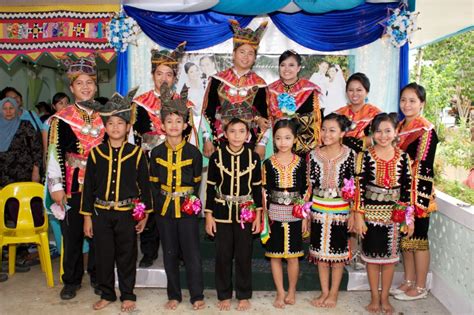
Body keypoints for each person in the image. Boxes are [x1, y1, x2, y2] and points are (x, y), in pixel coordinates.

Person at [80, 89, 151, 312]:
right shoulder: (95, 153)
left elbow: (145, 186)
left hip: (126, 213)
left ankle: (128, 294)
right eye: (110, 123)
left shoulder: (137, 153)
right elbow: (89, 187)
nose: (116, 127)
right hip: (101, 213)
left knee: (127, 255)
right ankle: (107, 293)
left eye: (120, 123)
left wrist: (144, 214)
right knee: (103, 256)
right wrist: (87, 218)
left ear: (128, 126)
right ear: (105, 127)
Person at [46, 57, 104, 300]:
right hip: (72, 185)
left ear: (96, 85)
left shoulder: (107, 113)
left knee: (101, 235)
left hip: (102, 185)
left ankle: (99, 277)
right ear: (72, 88)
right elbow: (54, 154)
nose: (85, 87)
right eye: (79, 83)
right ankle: (71, 280)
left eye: (89, 82)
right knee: (73, 236)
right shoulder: (62, 118)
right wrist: (56, 187)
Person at [132, 42, 193, 268]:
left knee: (176, 206)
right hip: (148, 162)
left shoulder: (183, 101)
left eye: (169, 73)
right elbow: (133, 137)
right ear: (152, 75)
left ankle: (178, 252)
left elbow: (190, 134)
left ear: (175, 77)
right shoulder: (139, 104)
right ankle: (148, 251)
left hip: (177, 162)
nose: (164, 78)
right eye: (160, 73)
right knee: (150, 202)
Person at [149, 87, 205, 310]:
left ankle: (197, 295)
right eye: (169, 121)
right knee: (169, 253)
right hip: (164, 211)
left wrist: (191, 204)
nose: (173, 125)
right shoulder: (156, 153)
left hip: (187, 210)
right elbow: (153, 182)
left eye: (178, 121)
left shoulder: (194, 153)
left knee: (192, 254)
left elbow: (197, 183)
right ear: (162, 125)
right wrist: (156, 208)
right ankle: (173, 294)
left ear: (185, 125)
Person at [353, 113, 414, 314]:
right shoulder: (363, 156)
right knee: (371, 258)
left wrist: (408, 218)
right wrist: (359, 216)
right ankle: (374, 298)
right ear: (372, 133)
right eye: (378, 131)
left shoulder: (404, 157)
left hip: (394, 217)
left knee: (389, 260)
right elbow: (358, 189)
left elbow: (407, 190)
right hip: (370, 215)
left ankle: (385, 298)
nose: (383, 135)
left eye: (388, 130)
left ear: (396, 132)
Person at [205, 118, 262, 311]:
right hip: (221, 213)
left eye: (241, 131)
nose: (237, 136)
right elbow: (210, 188)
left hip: (246, 213)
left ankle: (244, 294)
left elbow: (256, 189)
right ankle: (224, 294)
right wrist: (209, 215)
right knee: (223, 255)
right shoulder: (216, 157)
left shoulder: (254, 157)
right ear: (225, 133)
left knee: (244, 255)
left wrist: (259, 215)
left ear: (248, 135)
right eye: (232, 131)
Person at [392, 83, 438, 301]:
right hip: (399, 192)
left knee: (419, 238)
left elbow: (424, 165)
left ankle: (420, 286)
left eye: (412, 100)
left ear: (422, 103)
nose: (407, 104)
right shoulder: (398, 127)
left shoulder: (426, 129)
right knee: (405, 239)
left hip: (418, 192)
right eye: (403, 100)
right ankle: (408, 281)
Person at [308, 113, 356, 308]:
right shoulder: (313, 155)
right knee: (320, 254)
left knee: (337, 255)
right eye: (324, 129)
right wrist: (307, 211)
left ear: (342, 133)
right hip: (318, 208)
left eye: (332, 130)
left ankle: (334, 293)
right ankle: (324, 292)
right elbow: (309, 187)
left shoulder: (351, 155)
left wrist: (354, 212)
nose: (326, 134)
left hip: (341, 210)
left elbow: (356, 187)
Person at [202, 20, 269, 160]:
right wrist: (207, 139)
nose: (246, 56)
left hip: (250, 144)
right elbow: (207, 112)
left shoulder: (260, 85)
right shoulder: (218, 80)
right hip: (220, 141)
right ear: (233, 54)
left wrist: (262, 143)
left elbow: (266, 118)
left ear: (255, 58)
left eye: (251, 53)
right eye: (242, 51)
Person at [262, 119, 308, 308]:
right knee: (275, 255)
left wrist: (304, 216)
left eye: (287, 138)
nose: (283, 142)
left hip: (295, 213)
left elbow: (306, 189)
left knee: (293, 256)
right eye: (279, 138)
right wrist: (265, 216)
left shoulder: (301, 163)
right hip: (274, 214)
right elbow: (264, 190)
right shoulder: (268, 163)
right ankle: (280, 292)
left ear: (295, 139)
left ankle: (291, 290)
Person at [267, 50, 323, 156]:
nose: (286, 69)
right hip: (279, 145)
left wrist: (290, 118)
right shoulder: (270, 90)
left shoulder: (309, 89)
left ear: (298, 68)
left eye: (291, 65)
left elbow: (317, 119)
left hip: (305, 146)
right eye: (283, 65)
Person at [0, 97, 43, 228]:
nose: (8, 112)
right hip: (4, 175)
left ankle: (35, 235)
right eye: (5, 109)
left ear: (17, 109)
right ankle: (22, 235)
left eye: (11, 108)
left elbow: (36, 149)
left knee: (31, 204)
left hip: (25, 173)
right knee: (11, 205)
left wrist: (36, 171)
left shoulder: (25, 125)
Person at [336, 73, 382, 152]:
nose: (354, 94)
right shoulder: (338, 114)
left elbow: (381, 137)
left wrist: (356, 143)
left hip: (367, 158)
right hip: (341, 159)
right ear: (346, 92)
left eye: (359, 90)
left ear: (367, 92)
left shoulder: (376, 114)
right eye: (351, 90)